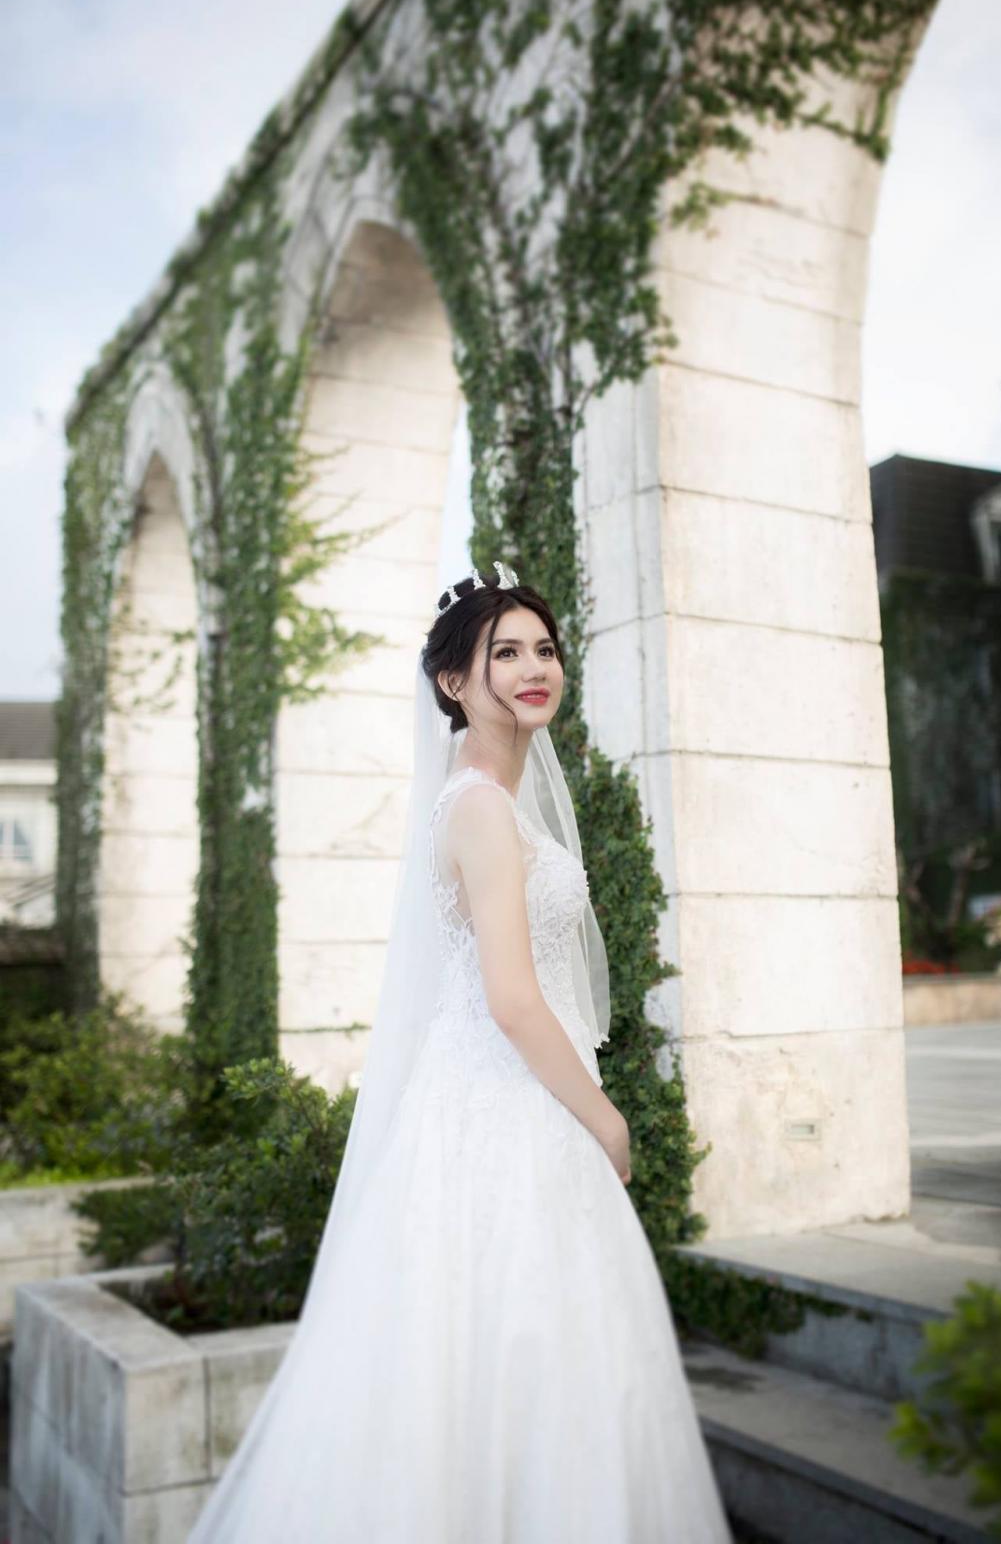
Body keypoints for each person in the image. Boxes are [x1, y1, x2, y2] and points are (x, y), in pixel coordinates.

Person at [187, 562, 731, 1542]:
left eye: (544, 649)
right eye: (504, 653)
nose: (534, 668)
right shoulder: (480, 807)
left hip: (502, 1097)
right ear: (452, 682)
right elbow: (512, 999)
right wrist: (605, 1119)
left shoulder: (486, 797)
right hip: (504, 1107)